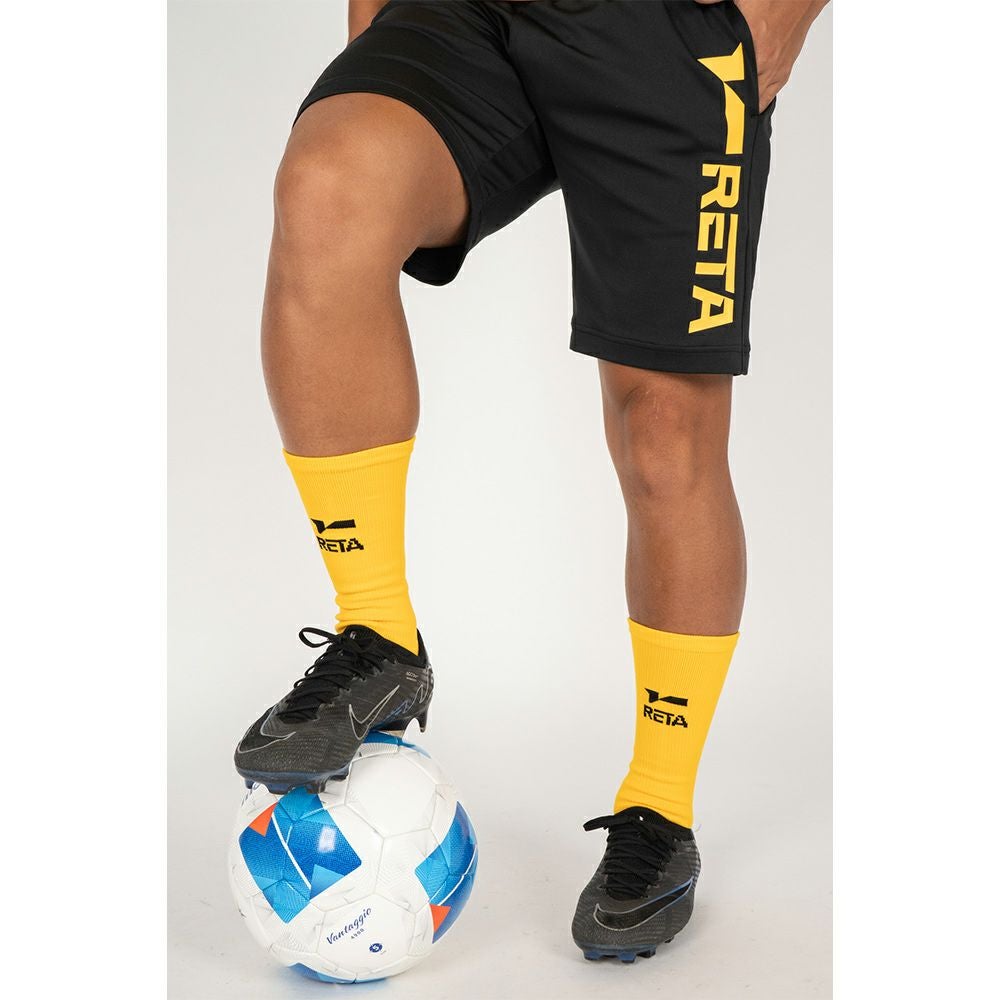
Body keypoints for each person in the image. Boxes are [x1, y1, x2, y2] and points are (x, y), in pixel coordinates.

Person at [234, 0, 828, 961]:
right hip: (472, 12)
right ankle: (378, 633)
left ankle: (659, 811)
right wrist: (378, 41)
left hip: (667, 30)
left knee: (664, 429)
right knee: (331, 185)